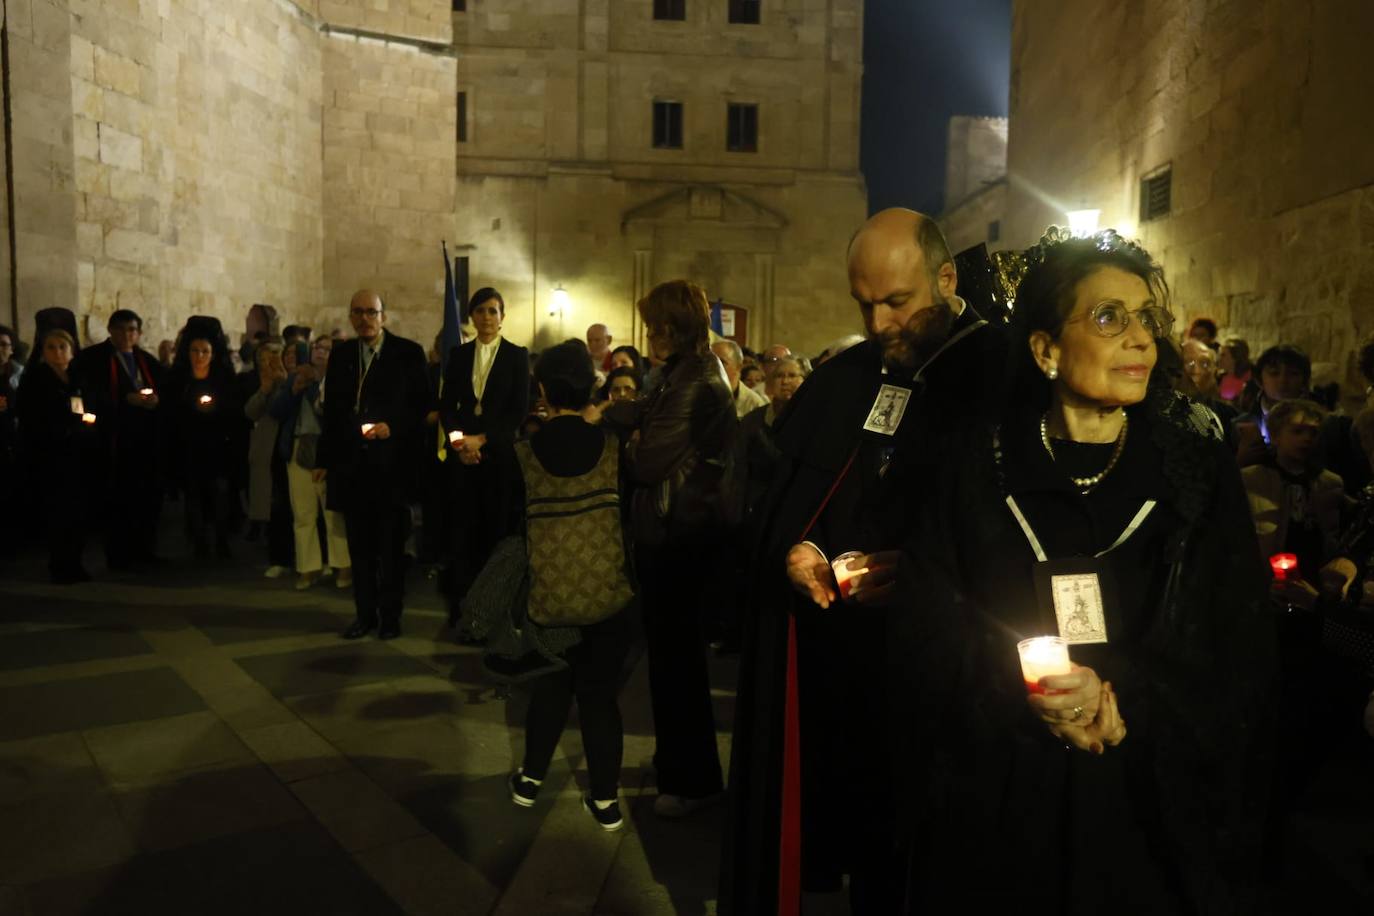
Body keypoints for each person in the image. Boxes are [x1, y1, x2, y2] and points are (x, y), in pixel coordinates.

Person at [894, 229, 1274, 913]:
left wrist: (1118, 695)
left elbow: (1231, 628)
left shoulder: (1190, 466)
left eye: (1146, 319)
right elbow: (931, 615)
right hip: (1004, 789)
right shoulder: (975, 466)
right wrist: (1024, 689)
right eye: (1108, 317)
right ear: (1044, 349)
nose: (1140, 340)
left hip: (1146, 794)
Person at [720, 208, 1005, 916]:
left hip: (957, 677)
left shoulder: (1002, 375)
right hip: (850, 670)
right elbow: (821, 495)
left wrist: (928, 577)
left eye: (897, 302)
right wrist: (805, 546)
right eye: (864, 304)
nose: (878, 323)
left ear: (945, 279)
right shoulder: (852, 375)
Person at [598, 279, 738, 819]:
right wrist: (616, 415)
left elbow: (649, 459)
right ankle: (676, 761)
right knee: (668, 662)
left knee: (679, 665)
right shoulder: (678, 372)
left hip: (683, 533)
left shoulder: (698, 378)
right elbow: (639, 416)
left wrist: (628, 434)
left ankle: (694, 779)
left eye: (658, 326)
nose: (650, 336)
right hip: (669, 530)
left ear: (678, 327)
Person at [506, 341, 633, 831]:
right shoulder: (612, 448)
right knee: (600, 698)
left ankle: (530, 781)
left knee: (551, 687)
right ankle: (605, 801)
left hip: (549, 597)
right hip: (606, 595)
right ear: (590, 387)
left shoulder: (524, 454)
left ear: (542, 389)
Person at [318, 290, 430, 640]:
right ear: (350, 317)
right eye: (358, 312)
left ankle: (391, 617)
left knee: (391, 550)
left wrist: (392, 427)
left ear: (384, 315)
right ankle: (364, 615)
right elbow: (333, 414)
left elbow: (422, 407)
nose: (365, 319)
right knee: (360, 550)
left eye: (371, 312)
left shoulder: (408, 353)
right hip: (353, 469)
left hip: (392, 468)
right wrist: (324, 460)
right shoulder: (342, 355)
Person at [438, 288, 530, 618]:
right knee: (463, 534)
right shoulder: (459, 356)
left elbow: (518, 411)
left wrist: (484, 439)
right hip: (464, 460)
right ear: (472, 316)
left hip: (498, 461)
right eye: (480, 311)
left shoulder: (517, 356)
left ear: (502, 317)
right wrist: (461, 443)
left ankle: (494, 609)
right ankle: (463, 607)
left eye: (493, 311)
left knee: (495, 534)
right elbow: (447, 408)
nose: (487, 317)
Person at [72, 310, 164, 569]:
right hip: (112, 440)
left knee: (145, 499)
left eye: (132, 330)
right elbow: (87, 393)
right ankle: (118, 555)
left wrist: (156, 401)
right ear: (111, 330)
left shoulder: (145, 360)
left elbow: (163, 388)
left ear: (139, 333)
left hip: (143, 442)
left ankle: (145, 550)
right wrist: (124, 399)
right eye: (122, 329)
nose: (127, 335)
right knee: (117, 501)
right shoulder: (93, 359)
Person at [1241, 398, 1344, 607]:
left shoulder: (1329, 483)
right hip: (1266, 584)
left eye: (1313, 433)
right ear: (1276, 436)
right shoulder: (1251, 479)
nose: (1306, 439)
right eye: (1297, 432)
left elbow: (1331, 534)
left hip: (1314, 578)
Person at [17, 329, 98, 583]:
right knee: (58, 513)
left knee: (79, 512)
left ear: (72, 350)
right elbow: (31, 416)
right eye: (51, 347)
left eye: (62, 347)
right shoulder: (35, 380)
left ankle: (76, 562)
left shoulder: (77, 377)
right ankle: (59, 565)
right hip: (52, 456)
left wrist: (89, 422)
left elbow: (89, 406)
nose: (57, 352)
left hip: (79, 454)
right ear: (43, 352)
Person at [274, 335, 351, 590]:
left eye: (327, 350)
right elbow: (277, 411)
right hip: (298, 447)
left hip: (325, 448)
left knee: (332, 512)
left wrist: (316, 383)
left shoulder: (338, 380)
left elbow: (332, 412)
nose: (321, 353)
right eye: (318, 348)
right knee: (303, 511)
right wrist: (295, 388)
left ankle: (342, 565)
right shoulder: (295, 377)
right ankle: (309, 567)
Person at [163, 323, 240, 559]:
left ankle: (221, 539)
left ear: (213, 354)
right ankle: (198, 541)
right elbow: (172, 414)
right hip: (190, 447)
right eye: (195, 351)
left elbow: (232, 413)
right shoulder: (180, 381)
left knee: (219, 493)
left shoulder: (222, 381)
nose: (199, 356)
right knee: (194, 496)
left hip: (217, 447)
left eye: (204, 351)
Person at [244, 339, 292, 577]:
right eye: (265, 356)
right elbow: (250, 411)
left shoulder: (289, 379)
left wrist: (282, 383)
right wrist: (264, 389)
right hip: (266, 448)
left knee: (288, 504)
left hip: (287, 447)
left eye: (275, 354)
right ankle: (277, 555)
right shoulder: (254, 381)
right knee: (271, 504)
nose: (270, 360)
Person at [712, 339, 769, 418]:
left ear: (738, 367)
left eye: (722, 363)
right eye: (711, 362)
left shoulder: (753, 404)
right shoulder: (699, 397)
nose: (714, 367)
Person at [1218, 337, 1252, 403]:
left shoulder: (1250, 379)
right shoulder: (1219, 377)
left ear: (1236, 357)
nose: (1219, 359)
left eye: (1223, 355)